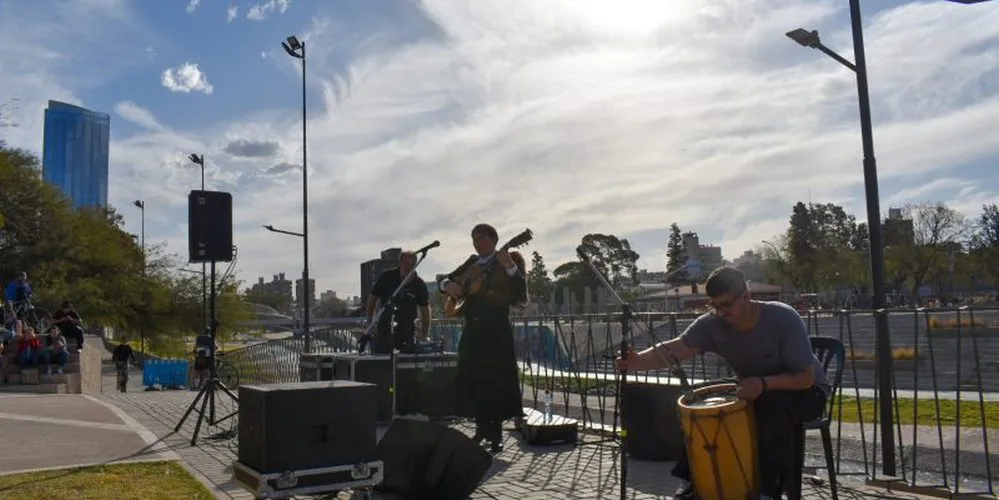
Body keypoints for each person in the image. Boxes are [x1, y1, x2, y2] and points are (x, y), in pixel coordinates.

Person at [616, 266, 829, 500]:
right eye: (714, 306)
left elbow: (804, 377)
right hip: (754, 387)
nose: (720, 312)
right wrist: (637, 361)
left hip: (808, 391)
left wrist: (762, 384)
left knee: (769, 406)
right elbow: (677, 348)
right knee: (695, 402)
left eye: (726, 305)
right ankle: (693, 482)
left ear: (746, 296)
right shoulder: (711, 324)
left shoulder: (783, 317)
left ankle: (768, 491)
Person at [438, 223, 527, 453]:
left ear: (494, 239)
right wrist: (449, 286)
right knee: (473, 379)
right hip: (473, 329)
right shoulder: (471, 262)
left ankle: (496, 434)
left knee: (495, 381)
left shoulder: (507, 261)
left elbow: (520, 294)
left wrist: (510, 268)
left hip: (496, 330)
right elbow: (443, 280)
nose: (477, 243)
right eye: (474, 239)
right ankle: (480, 428)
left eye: (481, 238)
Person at [362, 251, 431, 354]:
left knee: (405, 360)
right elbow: (373, 298)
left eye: (411, 264)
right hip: (384, 330)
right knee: (382, 359)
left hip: (407, 332)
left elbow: (425, 310)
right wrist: (370, 322)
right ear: (399, 263)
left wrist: (424, 335)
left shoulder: (419, 284)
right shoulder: (387, 277)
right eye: (405, 263)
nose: (408, 267)